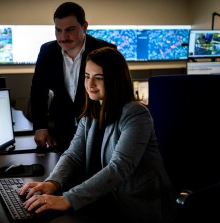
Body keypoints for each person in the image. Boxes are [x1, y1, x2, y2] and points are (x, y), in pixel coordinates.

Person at [20, 46, 177, 223]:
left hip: (137, 206)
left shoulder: (135, 114)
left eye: (99, 78)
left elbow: (118, 168)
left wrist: (67, 199)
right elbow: (73, 155)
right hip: (104, 199)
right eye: (87, 77)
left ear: (115, 80)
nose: (90, 84)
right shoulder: (91, 112)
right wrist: (53, 182)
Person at [30, 2, 116, 153]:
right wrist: (40, 127)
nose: (63, 37)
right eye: (58, 30)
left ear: (84, 27)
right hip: (61, 131)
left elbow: (115, 93)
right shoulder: (47, 51)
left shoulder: (105, 51)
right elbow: (38, 91)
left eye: (70, 30)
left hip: (98, 129)